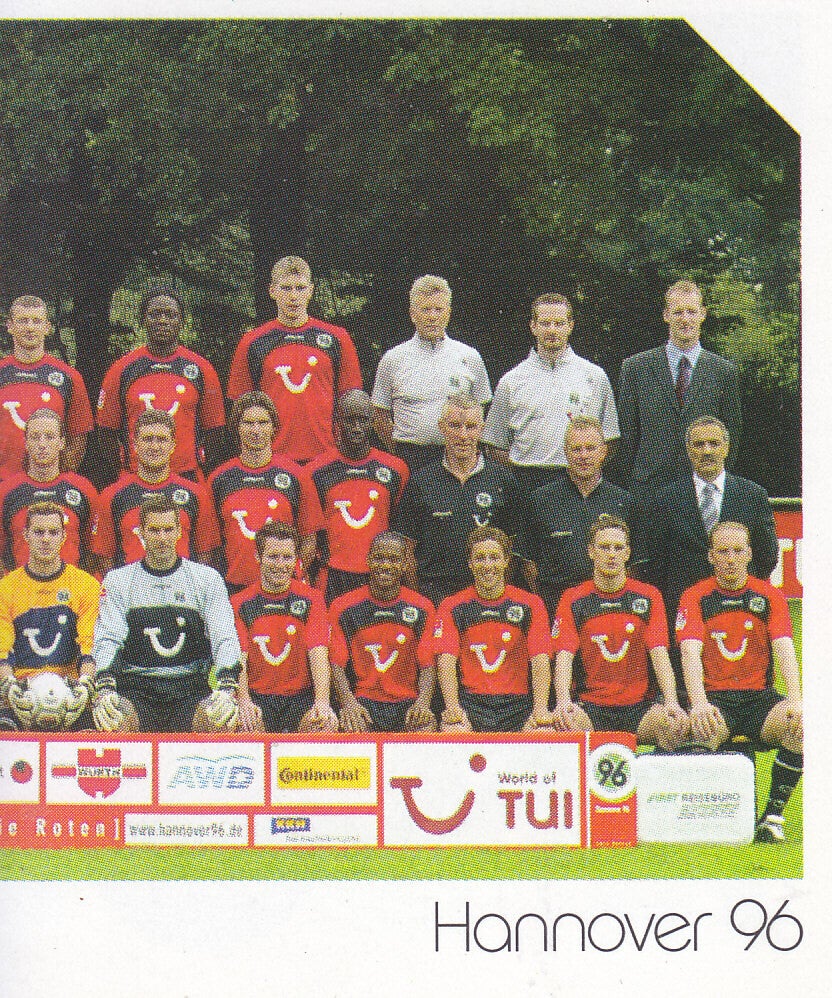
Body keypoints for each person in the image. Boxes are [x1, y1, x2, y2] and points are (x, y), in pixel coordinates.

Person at [677, 522, 802, 843]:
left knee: (802, 727)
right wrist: (699, 703)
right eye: (722, 551)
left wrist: (795, 700)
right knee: (698, 736)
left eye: (737, 551)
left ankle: (772, 817)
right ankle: (713, 819)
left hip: (760, 699)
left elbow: (784, 648)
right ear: (710, 556)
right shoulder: (695, 596)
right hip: (716, 700)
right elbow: (689, 652)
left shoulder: (769, 595)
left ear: (749, 553)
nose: (730, 558)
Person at [91, 494, 243, 734]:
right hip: (137, 689)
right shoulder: (118, 580)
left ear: (179, 531)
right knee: (113, 720)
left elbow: (224, 637)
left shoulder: (207, 579)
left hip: (190, 689)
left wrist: (227, 688)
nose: (162, 538)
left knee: (220, 720)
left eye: (168, 529)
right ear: (140, 532)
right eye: (154, 530)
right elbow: (108, 639)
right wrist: (105, 688)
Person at [551, 515, 689, 750]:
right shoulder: (573, 598)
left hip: (639, 708)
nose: (612, 554)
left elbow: (659, 655)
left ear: (627, 553)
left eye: (618, 548)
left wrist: (671, 702)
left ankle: (648, 774)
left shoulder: (648, 596)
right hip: (591, 707)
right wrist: (563, 701)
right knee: (564, 727)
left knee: (675, 727)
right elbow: (564, 657)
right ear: (591, 551)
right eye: (604, 547)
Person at [392, 393, 530, 608]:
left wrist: (496, 588)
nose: (463, 435)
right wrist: (420, 600)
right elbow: (407, 549)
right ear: (441, 427)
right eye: (455, 426)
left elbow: (513, 546)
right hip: (435, 594)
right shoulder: (421, 481)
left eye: (471, 426)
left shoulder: (503, 480)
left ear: (482, 429)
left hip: (487, 595)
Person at [647, 416, 778, 632]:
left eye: (714, 443)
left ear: (726, 448)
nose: (707, 451)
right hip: (683, 613)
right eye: (699, 444)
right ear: (688, 450)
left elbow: (767, 556)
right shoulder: (666, 499)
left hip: (741, 610)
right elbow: (656, 563)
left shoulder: (753, 495)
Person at [227, 256, 362, 464]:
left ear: (311, 290)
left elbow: (352, 403)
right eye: (286, 288)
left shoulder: (337, 338)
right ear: (272, 290)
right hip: (271, 460)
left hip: (327, 456)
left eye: (300, 288)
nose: (293, 296)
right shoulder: (252, 342)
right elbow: (240, 409)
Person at [618, 280, 742, 499]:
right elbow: (627, 436)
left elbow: (731, 436)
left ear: (703, 314)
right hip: (649, 490)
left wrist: (712, 479)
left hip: (702, 490)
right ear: (666, 315)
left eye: (691, 312)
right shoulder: (636, 368)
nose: (685, 319)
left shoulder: (724, 372)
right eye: (678, 312)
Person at [483, 293, 619, 491]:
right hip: (526, 481)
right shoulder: (511, 381)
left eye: (559, 323)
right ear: (533, 326)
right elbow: (495, 445)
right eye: (545, 323)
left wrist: (586, 473)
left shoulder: (594, 377)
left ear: (570, 326)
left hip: (578, 481)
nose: (552, 330)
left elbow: (610, 440)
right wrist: (518, 478)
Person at [96, 286, 226, 483]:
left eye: (170, 315)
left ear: (182, 321)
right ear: (143, 320)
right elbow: (106, 431)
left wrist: (197, 462)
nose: (163, 320)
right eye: (155, 314)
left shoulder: (201, 369)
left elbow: (215, 430)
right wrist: (127, 466)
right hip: (136, 478)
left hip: (187, 477)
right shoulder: (122, 369)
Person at [433, 526, 554, 733]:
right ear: (470, 563)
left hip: (518, 705)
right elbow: (446, 660)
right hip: (472, 704)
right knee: (453, 731)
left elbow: (540, 658)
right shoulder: (452, 605)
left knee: (544, 733)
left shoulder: (531, 603)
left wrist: (541, 708)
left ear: (506, 561)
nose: (487, 565)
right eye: (480, 558)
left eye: (494, 557)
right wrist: (452, 706)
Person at [525, 415, 644, 619]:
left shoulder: (625, 501)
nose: (583, 455)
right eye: (576, 449)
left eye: (590, 448)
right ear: (565, 452)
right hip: (555, 606)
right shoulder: (540, 500)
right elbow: (529, 564)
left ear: (604, 451)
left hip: (609, 607)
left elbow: (633, 565)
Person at [371, 275, 492, 472]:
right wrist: (399, 454)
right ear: (412, 314)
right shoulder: (393, 359)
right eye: (425, 309)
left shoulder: (469, 357)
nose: (432, 316)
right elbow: (379, 415)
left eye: (438, 309)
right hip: (410, 458)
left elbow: (481, 411)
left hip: (457, 458)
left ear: (448, 313)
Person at [209, 390, 323, 593]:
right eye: (248, 423)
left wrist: (289, 575)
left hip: (282, 590)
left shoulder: (297, 476)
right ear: (236, 427)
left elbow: (309, 540)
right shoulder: (219, 479)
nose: (256, 430)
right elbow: (210, 546)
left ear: (274, 427)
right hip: (234, 588)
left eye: (263, 422)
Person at [0, 502, 100, 731]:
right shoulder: (5, 588)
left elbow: (88, 647)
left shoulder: (86, 586)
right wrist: (8, 685)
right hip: (21, 690)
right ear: (26, 535)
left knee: (104, 725)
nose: (46, 539)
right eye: (39, 532)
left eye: (53, 532)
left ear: (64, 536)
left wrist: (85, 684)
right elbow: (2, 651)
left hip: (71, 691)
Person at [232, 521, 338, 733]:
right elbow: (239, 658)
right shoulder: (239, 602)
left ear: (296, 559)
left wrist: (322, 702)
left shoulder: (312, 599)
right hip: (257, 696)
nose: (280, 564)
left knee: (325, 725)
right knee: (244, 727)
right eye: (273, 556)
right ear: (258, 557)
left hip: (300, 698)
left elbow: (318, 651)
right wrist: (243, 701)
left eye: (287, 557)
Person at [307, 389, 409, 604]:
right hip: (333, 576)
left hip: (380, 575)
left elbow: (399, 526)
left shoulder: (396, 470)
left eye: (363, 420)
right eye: (349, 420)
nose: (356, 428)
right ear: (337, 422)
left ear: (372, 422)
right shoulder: (315, 471)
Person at [329, 532, 437, 732]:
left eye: (393, 559)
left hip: (407, 702)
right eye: (379, 558)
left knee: (425, 726)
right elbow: (336, 664)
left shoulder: (423, 608)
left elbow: (428, 665)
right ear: (368, 560)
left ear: (404, 564)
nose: (385, 565)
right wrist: (348, 703)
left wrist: (422, 703)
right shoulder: (343, 607)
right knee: (352, 726)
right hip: (364, 701)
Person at [92, 408, 221, 572]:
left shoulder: (196, 494)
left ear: (173, 445)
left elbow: (206, 555)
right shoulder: (112, 496)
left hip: (181, 586)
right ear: (135, 444)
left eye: (161, 439)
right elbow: (104, 558)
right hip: (133, 587)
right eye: (147, 439)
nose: (154, 446)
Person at [0, 295, 93, 479]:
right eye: (23, 321)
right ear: (9, 326)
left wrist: (57, 480)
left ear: (47, 327)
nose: (30, 327)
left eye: (36, 321)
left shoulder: (69, 377)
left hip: (50, 482)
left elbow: (78, 436)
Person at [0, 409, 99, 575]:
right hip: (22, 588)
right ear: (26, 442)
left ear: (62, 442)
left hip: (70, 587)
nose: (42, 444)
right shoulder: (6, 491)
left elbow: (95, 550)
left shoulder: (83, 489)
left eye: (49, 437)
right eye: (35, 437)